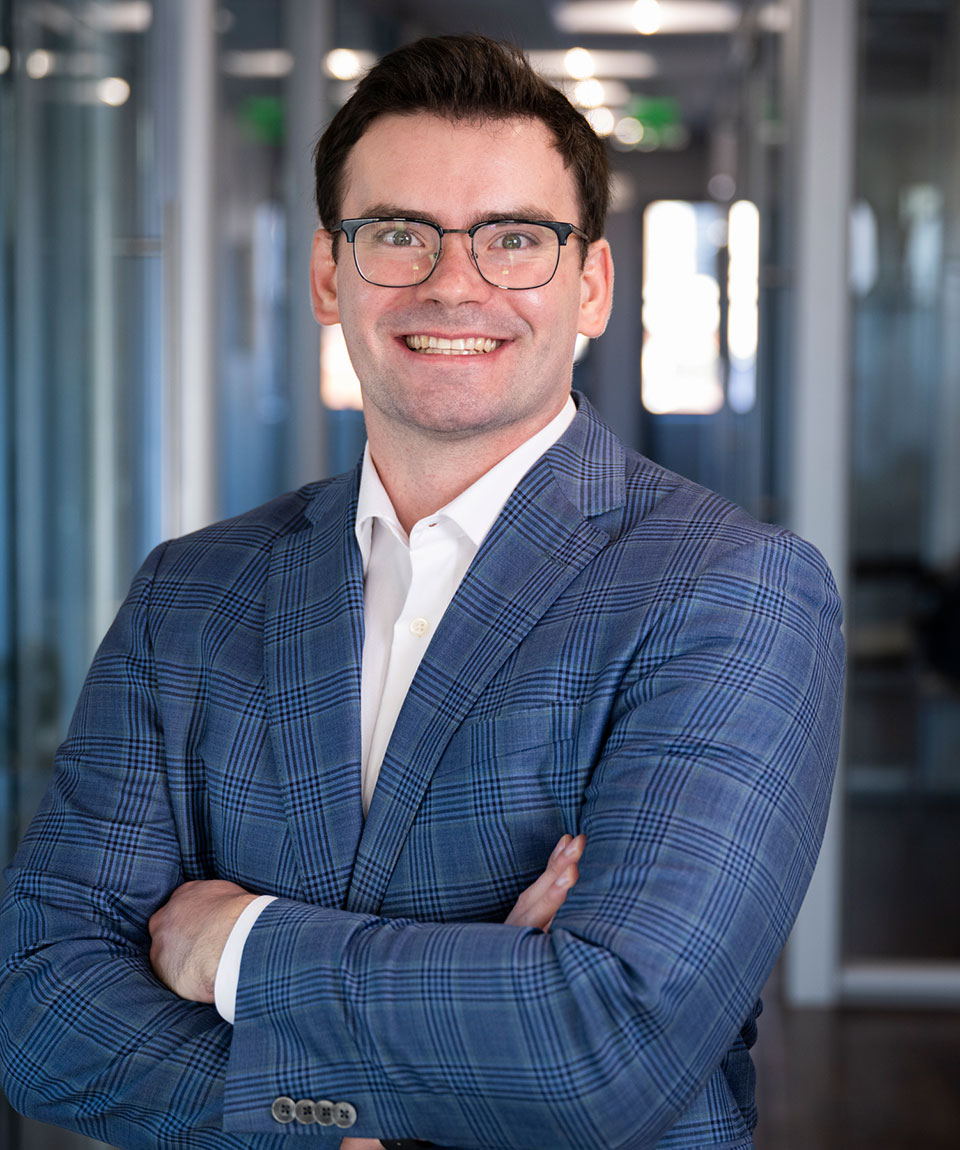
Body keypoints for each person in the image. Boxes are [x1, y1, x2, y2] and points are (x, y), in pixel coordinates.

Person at [0, 33, 844, 1150]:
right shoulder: (191, 591)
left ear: (589, 284)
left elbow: (610, 1040)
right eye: (399, 233)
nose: (455, 282)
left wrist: (240, 942)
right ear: (326, 272)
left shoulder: (733, 590)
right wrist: (352, 1109)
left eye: (515, 240)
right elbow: (42, 1004)